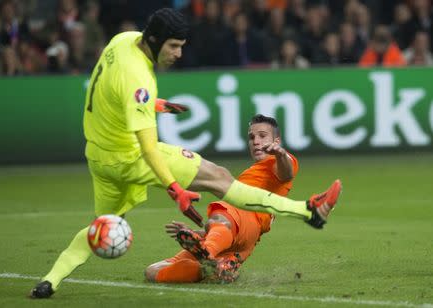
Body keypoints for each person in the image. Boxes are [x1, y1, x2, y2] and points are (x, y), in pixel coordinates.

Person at [30, 8, 342, 298]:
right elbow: (149, 148)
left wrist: (155, 104)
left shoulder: (122, 41)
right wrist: (175, 188)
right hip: (131, 155)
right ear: (154, 40)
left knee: (103, 224)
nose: (179, 54)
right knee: (219, 178)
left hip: (99, 159)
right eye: (174, 46)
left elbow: (110, 94)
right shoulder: (140, 78)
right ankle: (307, 211)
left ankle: (50, 280)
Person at [145, 115, 341, 283]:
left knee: (222, 212)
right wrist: (196, 232)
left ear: (277, 141)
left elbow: (287, 172)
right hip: (243, 240)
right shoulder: (250, 174)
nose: (255, 141)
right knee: (154, 271)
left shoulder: (278, 161)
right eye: (251, 137)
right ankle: (214, 268)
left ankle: (208, 251)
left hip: (245, 220)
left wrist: (280, 154)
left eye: (262, 136)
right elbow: (227, 226)